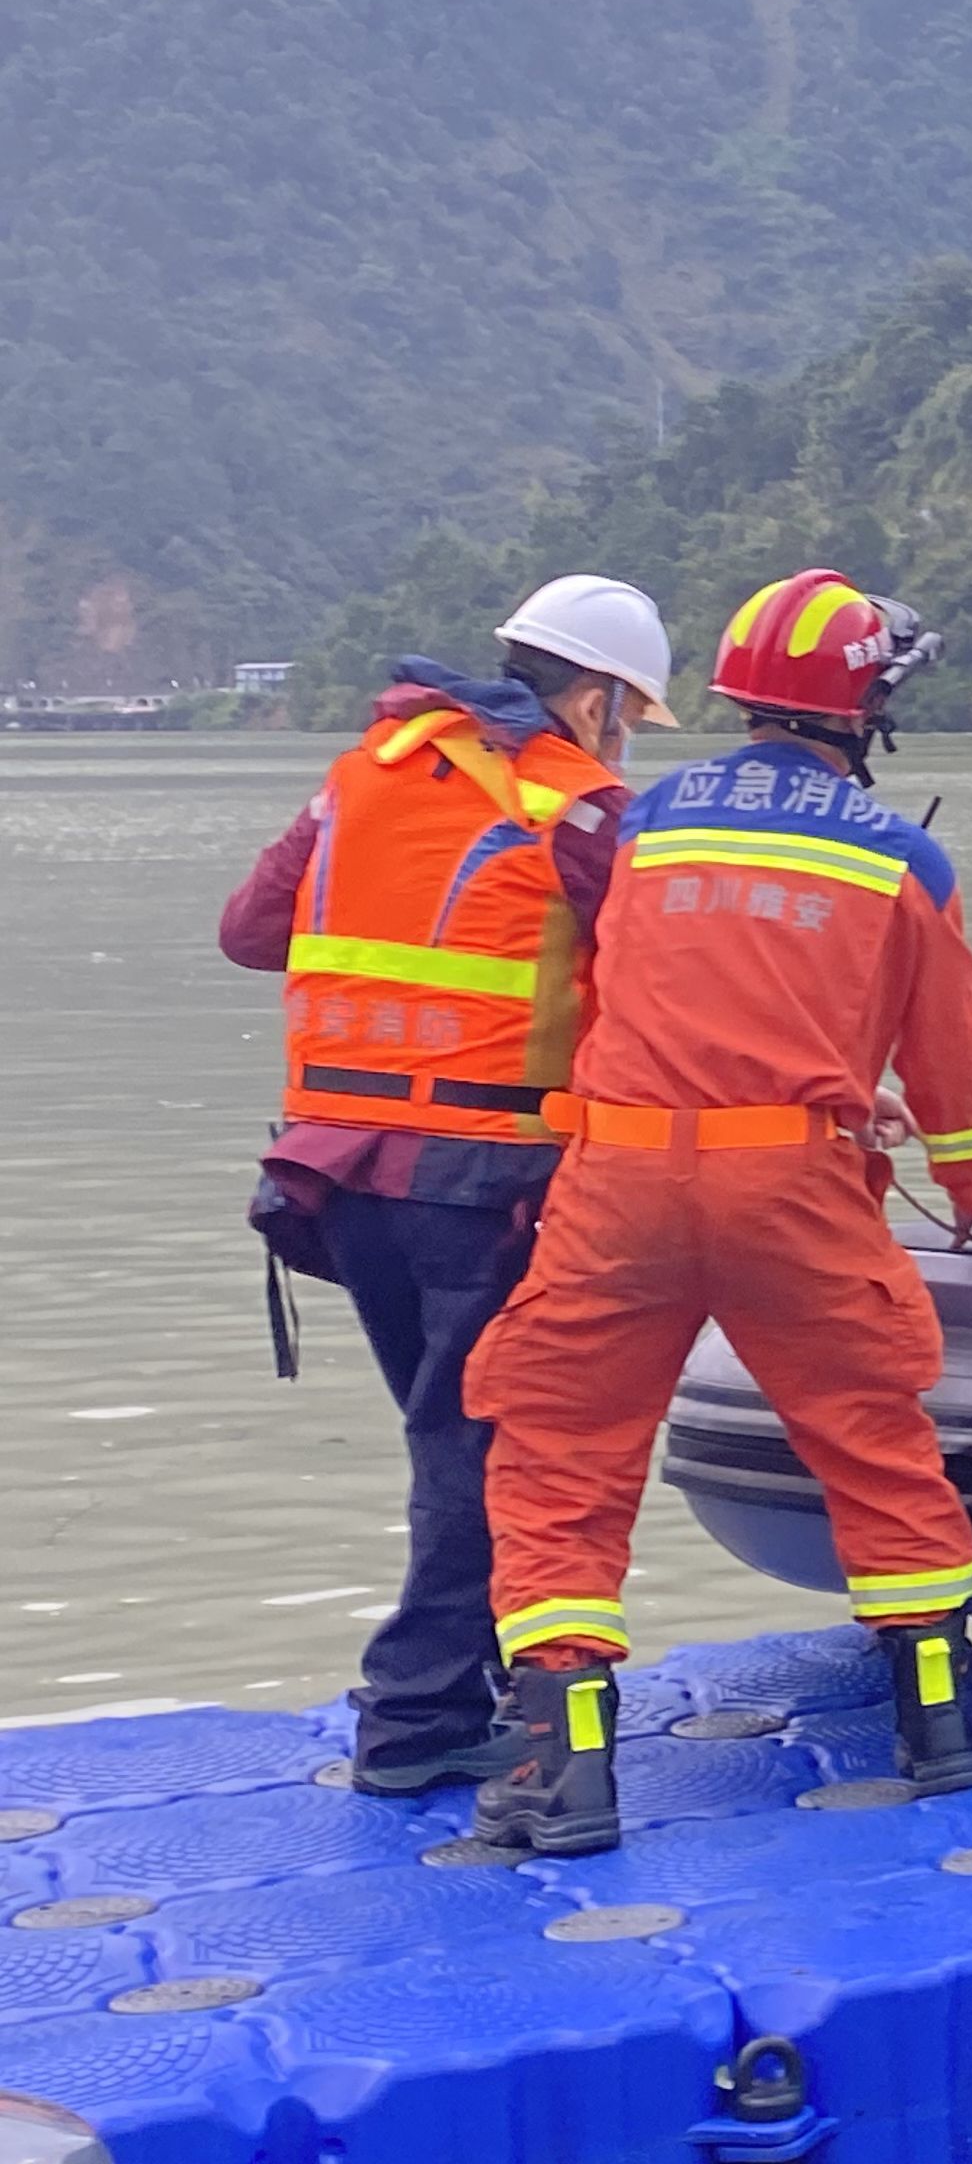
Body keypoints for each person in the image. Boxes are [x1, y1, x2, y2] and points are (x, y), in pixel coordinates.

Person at [463, 571, 972, 1856]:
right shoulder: (901, 858)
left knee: (561, 1456)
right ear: (864, 704)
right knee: (873, 1439)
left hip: (621, 1180)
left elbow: (617, 999)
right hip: (796, 1187)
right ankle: (937, 1726)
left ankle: (567, 1767)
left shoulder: (640, 825)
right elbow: (951, 1068)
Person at [213, 574, 679, 1796]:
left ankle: (446, 1699)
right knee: (488, 1451)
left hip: (328, 1177)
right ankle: (417, 1721)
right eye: (625, 712)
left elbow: (251, 933)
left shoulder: (358, 776)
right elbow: (669, 985)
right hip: (482, 1180)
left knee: (449, 1441)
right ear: (591, 699)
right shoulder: (579, 812)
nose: (621, 735)